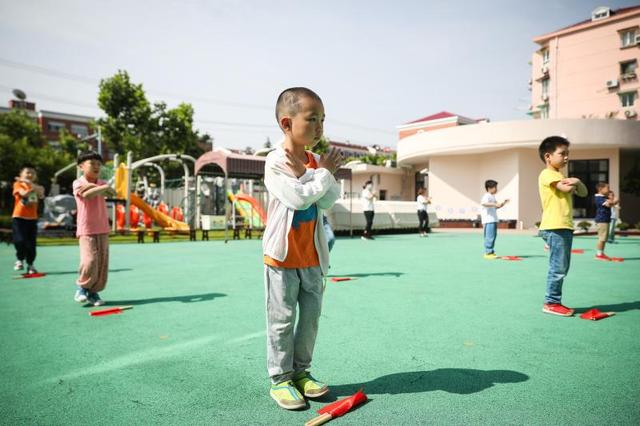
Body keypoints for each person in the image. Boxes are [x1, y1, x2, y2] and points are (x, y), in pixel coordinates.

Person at [262, 87, 342, 410]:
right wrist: (322, 175)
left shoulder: (311, 163)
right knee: (281, 319)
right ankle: (281, 380)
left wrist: (315, 177)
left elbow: (327, 198)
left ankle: (301, 372)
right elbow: (296, 197)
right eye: (312, 119)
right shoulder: (275, 161)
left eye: (322, 119)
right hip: (281, 258)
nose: (319, 126)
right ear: (286, 123)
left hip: (312, 257)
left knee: (310, 318)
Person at [537, 136, 587, 317]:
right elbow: (565, 189)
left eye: (568, 154)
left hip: (563, 226)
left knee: (562, 266)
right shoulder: (547, 174)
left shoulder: (561, 176)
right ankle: (551, 302)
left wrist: (577, 181)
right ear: (548, 156)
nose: (566, 157)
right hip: (554, 226)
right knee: (558, 267)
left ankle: (554, 301)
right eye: (562, 154)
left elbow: (583, 192)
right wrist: (572, 182)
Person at [72, 151, 116, 307]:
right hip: (87, 229)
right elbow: (88, 195)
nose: (96, 167)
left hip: (102, 228)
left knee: (102, 263)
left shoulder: (101, 182)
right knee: (89, 260)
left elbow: (113, 192)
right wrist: (102, 187)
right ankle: (81, 288)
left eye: (99, 164)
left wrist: (104, 187)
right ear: (81, 166)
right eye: (92, 163)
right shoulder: (78, 183)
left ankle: (93, 292)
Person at [12, 165, 45, 273]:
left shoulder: (38, 187)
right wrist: (25, 183)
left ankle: (30, 265)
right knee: (20, 240)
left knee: (31, 244)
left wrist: (28, 183)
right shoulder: (18, 184)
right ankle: (20, 260)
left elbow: (41, 193)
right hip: (19, 218)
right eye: (27, 172)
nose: (30, 175)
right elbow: (23, 193)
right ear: (21, 174)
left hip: (32, 219)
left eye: (32, 173)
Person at [480, 180, 509, 259]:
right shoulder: (487, 195)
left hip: (493, 219)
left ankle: (491, 251)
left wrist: (503, 203)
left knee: (493, 236)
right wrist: (494, 204)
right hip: (488, 220)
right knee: (489, 236)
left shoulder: (492, 196)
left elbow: (496, 207)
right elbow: (484, 203)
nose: (496, 189)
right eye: (495, 187)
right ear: (489, 188)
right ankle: (488, 253)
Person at [593, 182, 619, 261]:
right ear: (601, 189)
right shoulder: (599, 198)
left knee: (604, 238)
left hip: (605, 219)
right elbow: (609, 204)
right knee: (602, 238)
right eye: (607, 188)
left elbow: (610, 203)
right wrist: (615, 201)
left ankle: (601, 253)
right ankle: (599, 254)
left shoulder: (603, 197)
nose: (608, 190)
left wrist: (613, 201)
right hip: (602, 220)